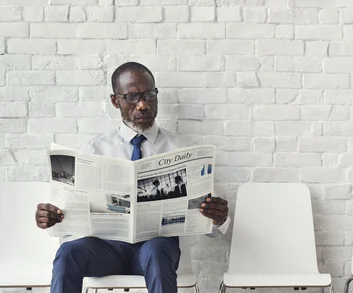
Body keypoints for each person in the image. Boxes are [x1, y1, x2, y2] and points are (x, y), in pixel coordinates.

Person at [34, 62, 231, 293]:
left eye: (149, 95)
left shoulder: (182, 149)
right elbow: (67, 216)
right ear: (115, 100)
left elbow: (214, 229)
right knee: (67, 253)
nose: (143, 104)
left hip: (155, 249)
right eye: (132, 97)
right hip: (104, 250)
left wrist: (217, 218)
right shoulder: (93, 149)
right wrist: (51, 218)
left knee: (157, 251)